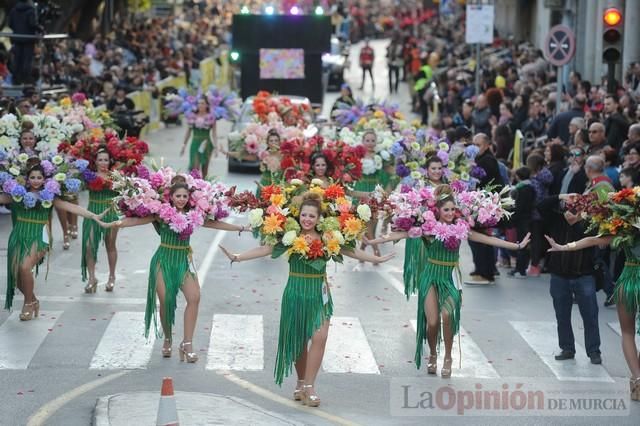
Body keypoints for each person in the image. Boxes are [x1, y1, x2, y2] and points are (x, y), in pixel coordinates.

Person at [219, 192, 393, 406]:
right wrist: (238, 257)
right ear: (298, 215)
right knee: (299, 342)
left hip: (319, 293)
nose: (307, 219)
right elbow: (266, 248)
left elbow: (352, 252)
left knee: (320, 338)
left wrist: (377, 257)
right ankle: (301, 382)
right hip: (295, 291)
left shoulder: (329, 236)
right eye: (304, 215)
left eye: (312, 216)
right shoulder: (287, 235)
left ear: (319, 218)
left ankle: (310, 386)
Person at [367, 185, 530, 377]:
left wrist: (517, 245)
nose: (451, 213)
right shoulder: (427, 229)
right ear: (437, 211)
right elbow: (400, 235)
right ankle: (433, 354)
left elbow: (488, 240)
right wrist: (372, 242)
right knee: (433, 322)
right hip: (430, 277)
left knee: (447, 316)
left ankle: (448, 358)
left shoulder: (462, 229)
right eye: (446, 209)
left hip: (451, 277)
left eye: (453, 209)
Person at [98, 177, 248, 361]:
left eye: (185, 196)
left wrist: (240, 227)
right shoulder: (160, 213)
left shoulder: (195, 214)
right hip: (164, 260)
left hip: (183, 260)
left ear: (189, 197)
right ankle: (168, 337)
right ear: (171, 196)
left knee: (194, 297)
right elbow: (136, 220)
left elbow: (213, 223)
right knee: (166, 301)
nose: (182, 199)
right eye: (178, 195)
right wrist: (114, 223)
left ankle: (187, 343)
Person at [545, 233, 639, 400]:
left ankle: (637, 379)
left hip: (629, 280)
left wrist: (564, 247)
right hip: (629, 280)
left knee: (628, 332)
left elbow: (594, 240)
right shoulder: (626, 220)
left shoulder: (626, 226)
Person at [1, 163, 101, 320]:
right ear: (26, 179)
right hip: (19, 235)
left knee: (25, 267)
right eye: (32, 177)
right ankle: (33, 299)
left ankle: (27, 303)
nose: (35, 180)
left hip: (39, 235)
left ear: (44, 179)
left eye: (39, 177)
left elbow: (69, 206)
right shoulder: (16, 193)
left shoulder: (49, 195)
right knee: (16, 275)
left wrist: (93, 215)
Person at [81, 147, 120, 293]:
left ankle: (111, 276)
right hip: (92, 213)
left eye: (106, 160)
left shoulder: (116, 176)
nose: (103, 162)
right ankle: (92, 278)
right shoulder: (89, 176)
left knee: (110, 246)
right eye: (100, 160)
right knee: (89, 246)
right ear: (95, 162)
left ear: (110, 161)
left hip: (110, 213)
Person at [466, 133, 502, 284]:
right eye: (473, 144)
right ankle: (482, 269)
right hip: (479, 204)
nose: (475, 148)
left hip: (484, 206)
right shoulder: (479, 158)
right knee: (477, 239)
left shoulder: (487, 161)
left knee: (479, 239)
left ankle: (485, 273)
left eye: (478, 145)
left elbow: (483, 182)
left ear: (487, 145)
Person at [180, 96, 218, 177]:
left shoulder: (211, 117)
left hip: (207, 144)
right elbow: (188, 132)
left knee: (205, 170)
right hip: (195, 143)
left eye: (202, 103)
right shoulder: (192, 116)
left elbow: (214, 134)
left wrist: (216, 147)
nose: (200, 105)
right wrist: (184, 145)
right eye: (199, 103)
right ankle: (195, 187)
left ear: (207, 105)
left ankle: (205, 187)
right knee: (195, 168)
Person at [508, 167, 536, 278]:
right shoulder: (531, 188)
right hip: (529, 218)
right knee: (524, 244)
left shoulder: (520, 189)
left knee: (521, 245)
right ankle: (521, 268)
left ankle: (520, 269)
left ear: (518, 177)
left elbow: (518, 207)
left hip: (521, 220)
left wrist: (512, 219)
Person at [8, 0, 39, 85]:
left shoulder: (13, 10)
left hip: (17, 38)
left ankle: (16, 79)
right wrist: (40, 29)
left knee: (17, 59)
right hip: (28, 39)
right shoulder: (31, 10)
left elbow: (10, 24)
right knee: (27, 59)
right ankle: (26, 78)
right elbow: (32, 24)